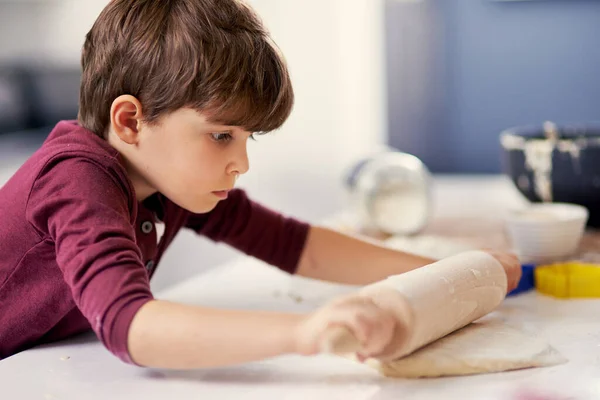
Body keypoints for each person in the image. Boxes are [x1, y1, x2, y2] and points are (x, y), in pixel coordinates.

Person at [0, 0, 521, 368]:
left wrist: (449, 270)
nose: (241, 162)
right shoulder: (75, 181)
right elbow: (132, 326)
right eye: (221, 135)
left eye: (247, 138)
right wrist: (302, 333)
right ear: (131, 122)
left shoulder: (169, 182)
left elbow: (296, 246)